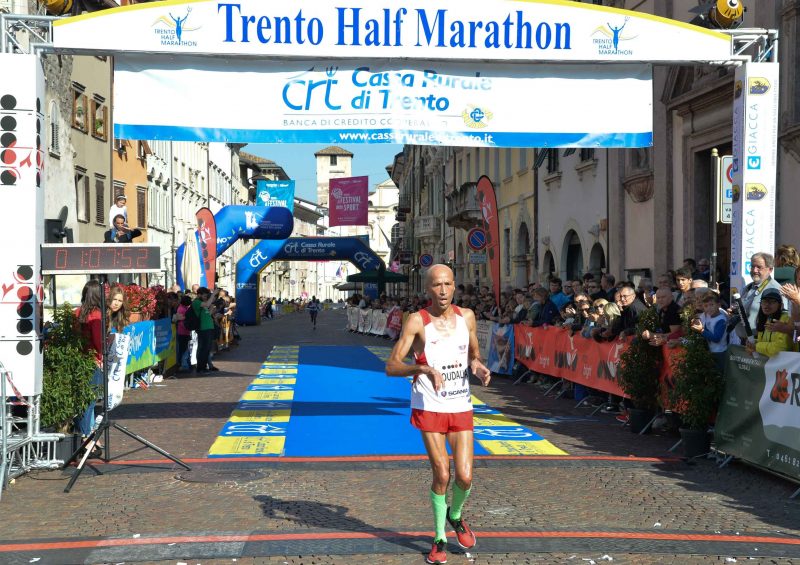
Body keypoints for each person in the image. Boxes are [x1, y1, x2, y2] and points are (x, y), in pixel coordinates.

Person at [385, 264, 491, 565]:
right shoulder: (417, 322)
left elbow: (473, 353)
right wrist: (419, 367)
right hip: (429, 406)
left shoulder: (467, 317)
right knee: (442, 474)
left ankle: (455, 516)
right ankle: (439, 537)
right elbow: (391, 366)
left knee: (466, 477)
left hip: (460, 405)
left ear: (455, 286)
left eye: (447, 284)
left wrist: (477, 365)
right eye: (436, 285)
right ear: (427, 289)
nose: (442, 291)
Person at [74, 280, 105, 457]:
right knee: (90, 401)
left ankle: (85, 437)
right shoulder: (96, 314)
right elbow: (98, 341)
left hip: (79, 360)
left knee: (83, 402)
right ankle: (86, 441)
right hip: (92, 360)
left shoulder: (77, 313)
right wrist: (103, 352)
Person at [745, 288, 793, 357]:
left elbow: (780, 349)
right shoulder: (766, 319)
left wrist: (756, 346)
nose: (767, 304)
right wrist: (753, 343)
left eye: (772, 301)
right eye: (764, 301)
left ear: (781, 305)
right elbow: (764, 342)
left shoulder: (785, 319)